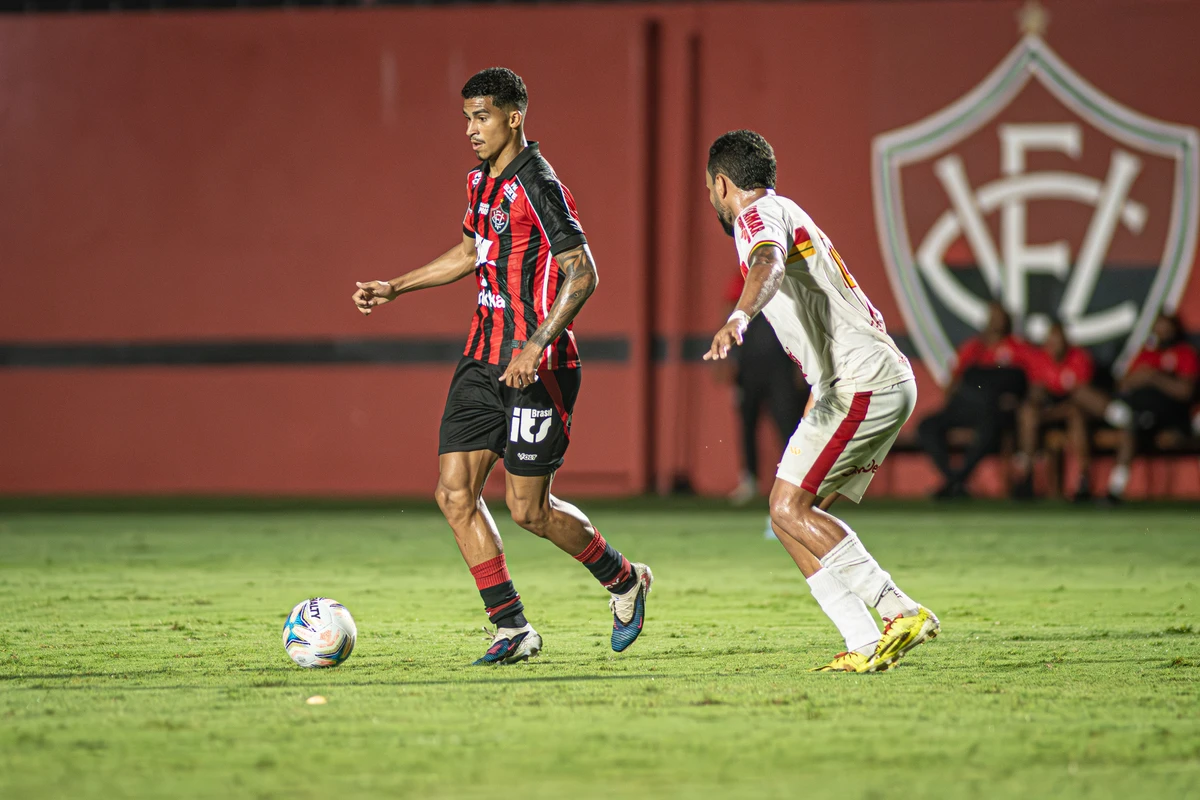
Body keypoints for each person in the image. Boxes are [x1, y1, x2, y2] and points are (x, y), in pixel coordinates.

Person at [352, 68, 652, 665]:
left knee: (528, 511)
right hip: (481, 360)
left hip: (538, 367)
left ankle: (624, 580)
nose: (471, 129)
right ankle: (512, 628)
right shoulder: (478, 182)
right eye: (466, 117)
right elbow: (470, 252)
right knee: (453, 493)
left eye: (482, 116)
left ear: (515, 117)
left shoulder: (539, 184)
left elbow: (583, 272)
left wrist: (535, 346)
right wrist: (396, 286)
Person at [703, 130, 937, 673]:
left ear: (721, 184)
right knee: (788, 515)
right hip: (851, 381)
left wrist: (739, 316)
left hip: (863, 380)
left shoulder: (755, 218)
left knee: (790, 508)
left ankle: (898, 609)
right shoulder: (785, 210)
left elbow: (768, 262)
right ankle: (862, 641)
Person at [1070, 314, 1198, 502]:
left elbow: (1185, 392)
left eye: (1167, 327)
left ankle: (1115, 489)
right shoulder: (1146, 353)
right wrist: (1140, 377)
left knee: (1129, 430)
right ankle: (1122, 416)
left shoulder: (1185, 353)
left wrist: (1154, 377)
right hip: (1130, 404)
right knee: (1081, 395)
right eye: (1159, 326)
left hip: (1162, 414)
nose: (1163, 331)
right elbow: (1122, 385)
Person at [916, 302, 1032, 499]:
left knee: (990, 429)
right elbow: (953, 380)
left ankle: (955, 481)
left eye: (1000, 318)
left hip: (993, 411)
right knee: (927, 426)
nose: (996, 322)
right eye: (993, 317)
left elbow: (1031, 380)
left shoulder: (1018, 349)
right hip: (965, 407)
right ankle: (954, 479)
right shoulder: (973, 348)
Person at [719, 272, 810, 506]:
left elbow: (800, 320)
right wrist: (728, 358)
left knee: (788, 425)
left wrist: (801, 366)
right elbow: (731, 311)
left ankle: (795, 482)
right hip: (749, 366)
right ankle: (749, 479)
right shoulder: (744, 274)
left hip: (781, 365)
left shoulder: (786, 275)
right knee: (747, 423)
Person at [1012, 320, 1094, 499]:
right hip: (1047, 410)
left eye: (1060, 340)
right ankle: (1026, 475)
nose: (1056, 344)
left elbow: (1080, 394)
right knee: (1028, 413)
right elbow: (1035, 392)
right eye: (1052, 340)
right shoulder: (1037, 358)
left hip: (1071, 409)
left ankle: (1083, 479)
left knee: (1076, 415)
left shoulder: (1079, 357)